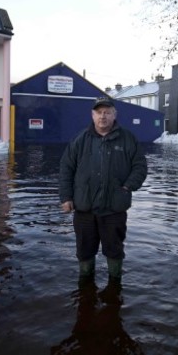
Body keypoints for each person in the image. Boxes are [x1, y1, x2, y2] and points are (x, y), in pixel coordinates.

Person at [59, 96, 147, 285]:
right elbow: (66, 168)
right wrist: (66, 197)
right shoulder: (80, 140)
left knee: (115, 251)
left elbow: (140, 166)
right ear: (92, 115)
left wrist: (127, 186)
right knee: (84, 252)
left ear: (115, 115)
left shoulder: (128, 139)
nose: (103, 116)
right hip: (84, 209)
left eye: (107, 112)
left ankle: (114, 287)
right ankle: (85, 286)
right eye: (99, 112)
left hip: (114, 209)